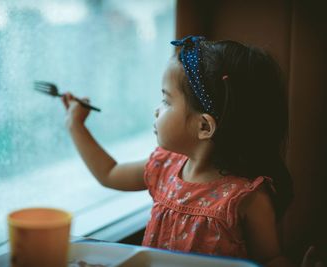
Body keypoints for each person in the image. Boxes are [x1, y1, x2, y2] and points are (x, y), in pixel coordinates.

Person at [60, 35, 323, 267]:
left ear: (204, 126)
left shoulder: (246, 198)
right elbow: (110, 173)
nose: (156, 109)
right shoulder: (163, 166)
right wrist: (76, 125)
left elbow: (270, 260)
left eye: (165, 100)